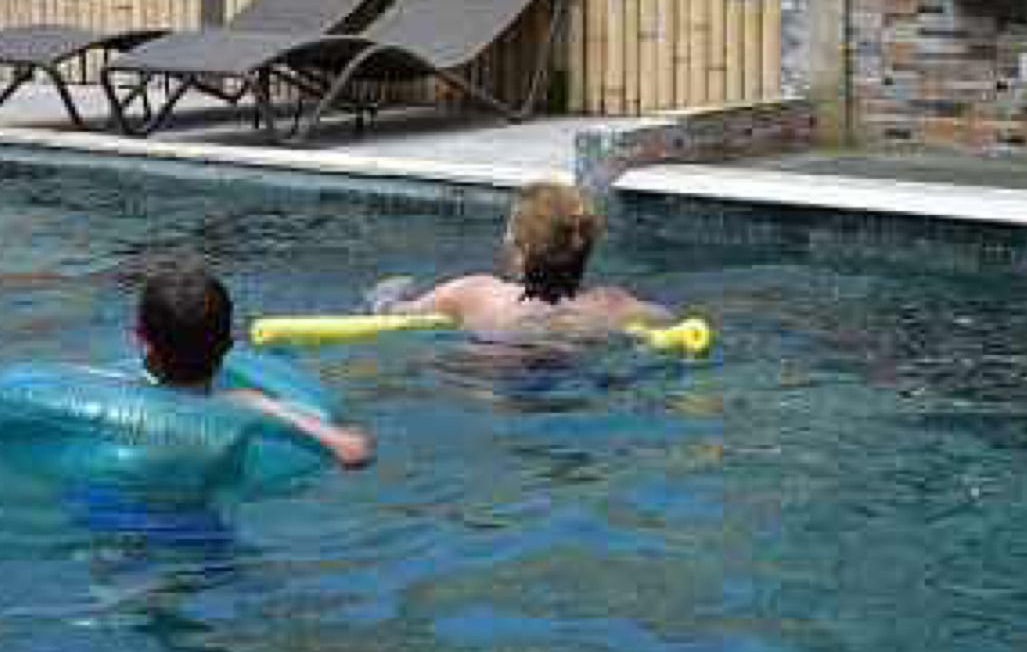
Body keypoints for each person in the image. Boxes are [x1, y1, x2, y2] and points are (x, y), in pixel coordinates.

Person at [136, 262, 375, 468]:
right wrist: (348, 424)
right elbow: (355, 451)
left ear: (141, 339)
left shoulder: (115, 393)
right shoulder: (240, 405)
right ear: (228, 346)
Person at [383, 184, 678, 344]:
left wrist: (385, 296)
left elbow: (396, 316)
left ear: (518, 251)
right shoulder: (615, 306)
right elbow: (668, 320)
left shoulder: (474, 294)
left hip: (491, 382)